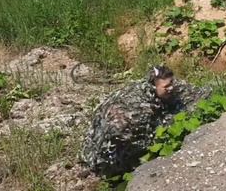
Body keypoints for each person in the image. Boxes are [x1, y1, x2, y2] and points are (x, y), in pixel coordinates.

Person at [81, 65, 212, 176]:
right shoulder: (141, 109)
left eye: (171, 82)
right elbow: (134, 135)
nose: (171, 88)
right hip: (108, 149)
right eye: (166, 86)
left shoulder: (161, 89)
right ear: (153, 87)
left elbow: (194, 92)